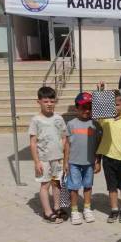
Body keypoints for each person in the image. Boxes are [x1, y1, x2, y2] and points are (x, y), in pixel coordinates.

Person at [96, 89, 121, 223]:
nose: (115, 107)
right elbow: (98, 108)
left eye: (118, 104)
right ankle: (114, 210)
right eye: (112, 104)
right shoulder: (105, 120)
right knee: (112, 187)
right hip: (108, 159)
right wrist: (101, 91)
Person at [29, 86, 69, 224]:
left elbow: (64, 137)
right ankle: (47, 211)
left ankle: (57, 207)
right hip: (44, 159)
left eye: (52, 101)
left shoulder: (59, 119)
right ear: (38, 102)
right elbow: (33, 142)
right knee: (45, 185)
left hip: (57, 159)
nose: (49, 104)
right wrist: (36, 161)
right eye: (45, 101)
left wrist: (63, 157)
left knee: (56, 184)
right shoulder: (36, 120)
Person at [63, 92, 102, 225]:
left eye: (89, 107)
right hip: (73, 162)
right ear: (76, 108)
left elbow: (99, 145)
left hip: (89, 162)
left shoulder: (95, 125)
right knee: (74, 187)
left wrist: (98, 161)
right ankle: (74, 210)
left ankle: (87, 208)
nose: (87, 110)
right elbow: (67, 144)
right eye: (83, 107)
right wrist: (65, 162)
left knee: (88, 185)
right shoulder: (71, 124)